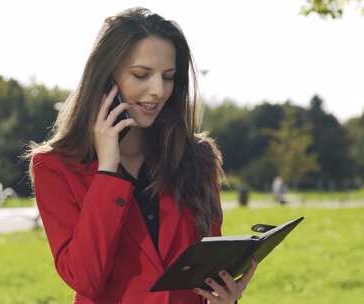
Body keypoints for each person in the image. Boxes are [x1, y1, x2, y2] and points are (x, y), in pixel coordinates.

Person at [26, 7, 257, 304]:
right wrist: (108, 171)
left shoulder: (198, 158)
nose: (159, 91)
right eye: (141, 75)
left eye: (169, 77)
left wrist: (225, 298)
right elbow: (85, 279)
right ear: (106, 78)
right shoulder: (55, 167)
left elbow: (206, 270)